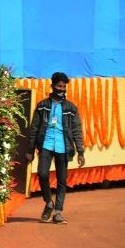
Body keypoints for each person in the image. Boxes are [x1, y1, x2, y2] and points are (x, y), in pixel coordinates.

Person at [26, 71, 85, 224]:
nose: (61, 89)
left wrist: (80, 151)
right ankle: (49, 203)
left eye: (64, 87)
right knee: (42, 174)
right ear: (52, 86)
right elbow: (34, 128)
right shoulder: (42, 106)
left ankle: (58, 212)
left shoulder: (71, 108)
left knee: (62, 180)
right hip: (45, 144)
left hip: (63, 146)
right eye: (59, 86)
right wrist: (30, 151)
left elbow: (77, 130)